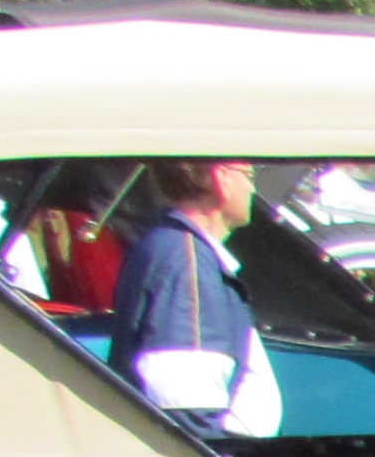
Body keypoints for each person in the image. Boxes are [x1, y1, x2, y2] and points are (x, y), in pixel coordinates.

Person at [105, 156, 277, 438]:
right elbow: (186, 410)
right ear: (222, 178)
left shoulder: (175, 248)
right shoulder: (188, 263)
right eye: (249, 175)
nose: (252, 190)